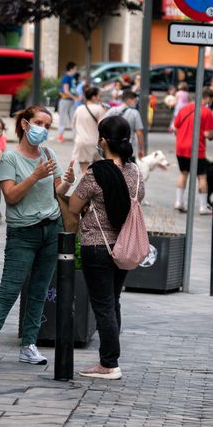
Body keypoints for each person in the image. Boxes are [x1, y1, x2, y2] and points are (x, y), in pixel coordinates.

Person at [0, 106, 76, 367]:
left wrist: (68, 181)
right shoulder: (10, 159)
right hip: (23, 233)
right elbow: (11, 196)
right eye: (39, 123)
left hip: (51, 228)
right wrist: (35, 175)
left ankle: (29, 345)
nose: (43, 129)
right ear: (25, 124)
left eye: (48, 125)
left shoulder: (48, 153)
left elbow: (58, 189)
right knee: (10, 289)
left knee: (39, 290)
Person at [67, 116, 144, 380]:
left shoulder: (95, 173)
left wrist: (87, 204)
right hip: (123, 245)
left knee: (103, 306)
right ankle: (109, 358)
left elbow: (74, 207)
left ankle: (109, 363)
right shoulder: (135, 172)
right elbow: (136, 200)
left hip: (97, 246)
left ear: (103, 140)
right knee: (113, 302)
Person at [172, 87, 213, 214]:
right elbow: (208, 134)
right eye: (211, 100)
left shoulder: (183, 109)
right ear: (207, 98)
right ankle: (203, 207)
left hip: (181, 147)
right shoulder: (207, 112)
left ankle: (179, 202)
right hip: (197, 149)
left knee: (183, 173)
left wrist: (182, 137)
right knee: (202, 177)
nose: (211, 103)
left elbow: (175, 128)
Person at [71, 86, 106, 173]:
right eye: (99, 96)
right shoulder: (99, 109)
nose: (100, 98)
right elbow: (102, 126)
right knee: (99, 172)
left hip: (81, 142)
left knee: (84, 172)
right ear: (94, 97)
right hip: (95, 143)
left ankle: (85, 186)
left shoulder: (79, 108)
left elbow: (74, 124)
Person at [104, 90, 146, 160]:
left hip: (112, 148)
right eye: (135, 101)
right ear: (129, 100)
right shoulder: (135, 113)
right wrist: (141, 149)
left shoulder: (112, 110)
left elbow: (102, 125)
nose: (136, 104)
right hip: (128, 149)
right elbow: (139, 133)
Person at [57, 62, 79, 142]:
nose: (76, 70)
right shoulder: (66, 77)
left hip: (70, 100)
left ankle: (76, 136)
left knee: (73, 118)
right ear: (71, 69)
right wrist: (75, 97)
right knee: (63, 118)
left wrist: (75, 97)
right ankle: (60, 135)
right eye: (75, 69)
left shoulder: (71, 78)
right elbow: (66, 90)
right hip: (65, 100)